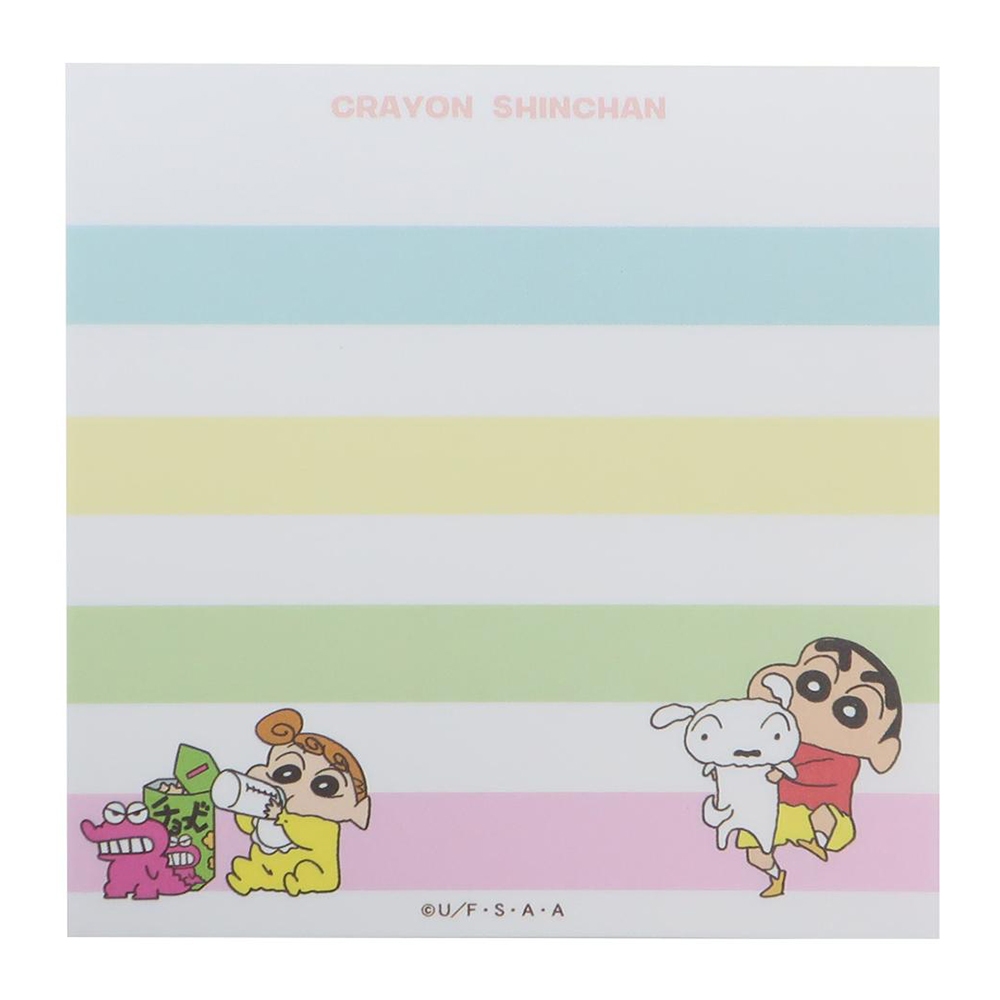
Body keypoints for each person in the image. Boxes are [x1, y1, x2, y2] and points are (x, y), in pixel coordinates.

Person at [738, 637, 902, 898]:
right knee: (755, 853)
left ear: (883, 748)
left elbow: (820, 774)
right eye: (813, 685)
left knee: (825, 818)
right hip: (778, 812)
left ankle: (816, 838)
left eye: (852, 711)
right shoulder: (780, 738)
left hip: (824, 812)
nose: (823, 708)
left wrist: (782, 771)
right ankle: (776, 876)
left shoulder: (845, 758)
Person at [226, 708, 370, 896]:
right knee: (258, 865)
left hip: (311, 868)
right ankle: (253, 877)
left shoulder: (326, 828)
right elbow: (248, 826)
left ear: (355, 808)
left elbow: (307, 837)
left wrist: (282, 817)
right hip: (271, 865)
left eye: (325, 787)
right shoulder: (268, 805)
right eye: (286, 774)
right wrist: (248, 810)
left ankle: (300, 881)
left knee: (307, 871)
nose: (295, 793)